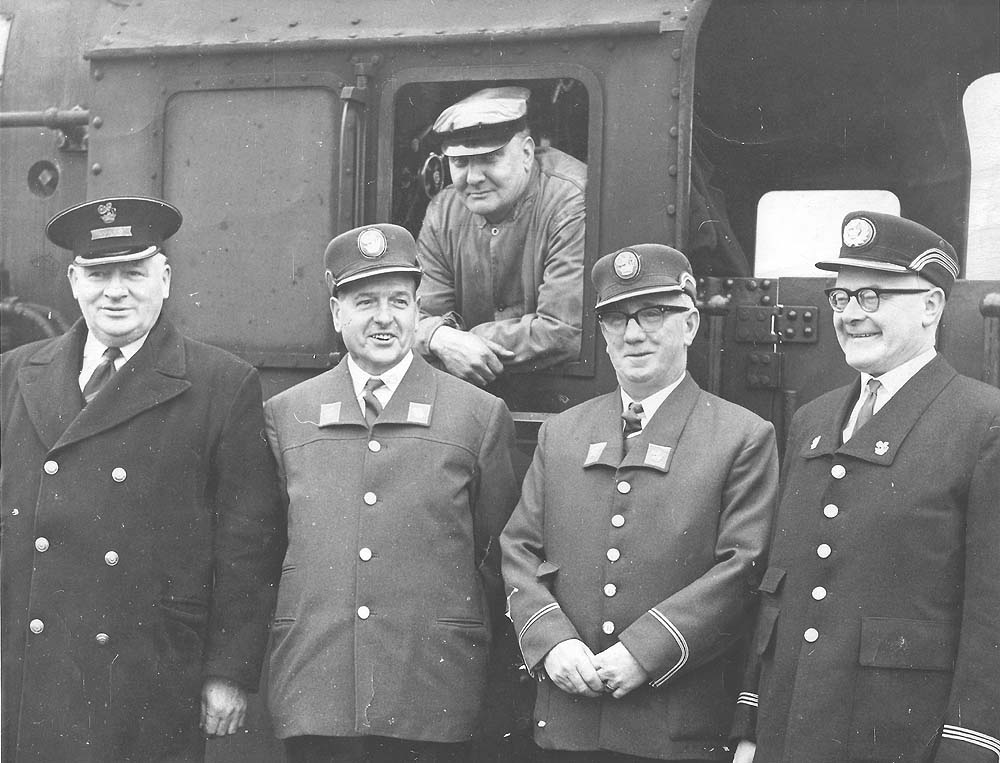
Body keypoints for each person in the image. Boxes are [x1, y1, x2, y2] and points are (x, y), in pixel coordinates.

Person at [0, 197, 284, 762]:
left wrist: (229, 673)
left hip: (149, 666)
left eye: (134, 272)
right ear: (74, 281)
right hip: (29, 661)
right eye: (100, 274)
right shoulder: (15, 372)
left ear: (166, 279)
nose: (116, 291)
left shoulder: (221, 384)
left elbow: (248, 545)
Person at [731, 211, 1000, 763]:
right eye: (841, 298)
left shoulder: (983, 422)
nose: (851, 315)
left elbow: (989, 611)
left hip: (900, 740)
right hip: (792, 731)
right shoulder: (813, 419)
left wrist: (971, 747)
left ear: (932, 305)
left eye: (873, 296)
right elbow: (781, 589)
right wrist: (751, 724)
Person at [501, 244, 778, 761]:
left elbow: (743, 568)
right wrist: (551, 641)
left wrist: (646, 650)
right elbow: (518, 547)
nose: (633, 333)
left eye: (654, 313)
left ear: (690, 324)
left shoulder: (742, 437)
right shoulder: (563, 433)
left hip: (671, 728)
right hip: (567, 721)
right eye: (616, 318)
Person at [263, 223, 519, 762]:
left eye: (399, 301)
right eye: (365, 302)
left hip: (432, 690)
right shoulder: (287, 415)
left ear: (417, 310)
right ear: (336, 314)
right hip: (318, 689)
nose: (384, 317)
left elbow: (496, 563)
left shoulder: (476, 415)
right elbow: (267, 552)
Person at [415, 86, 587, 386]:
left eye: (490, 158)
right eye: (460, 162)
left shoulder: (570, 199)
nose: (474, 178)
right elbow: (416, 315)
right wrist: (439, 337)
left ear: (526, 153)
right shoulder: (443, 211)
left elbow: (563, 331)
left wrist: (459, 342)